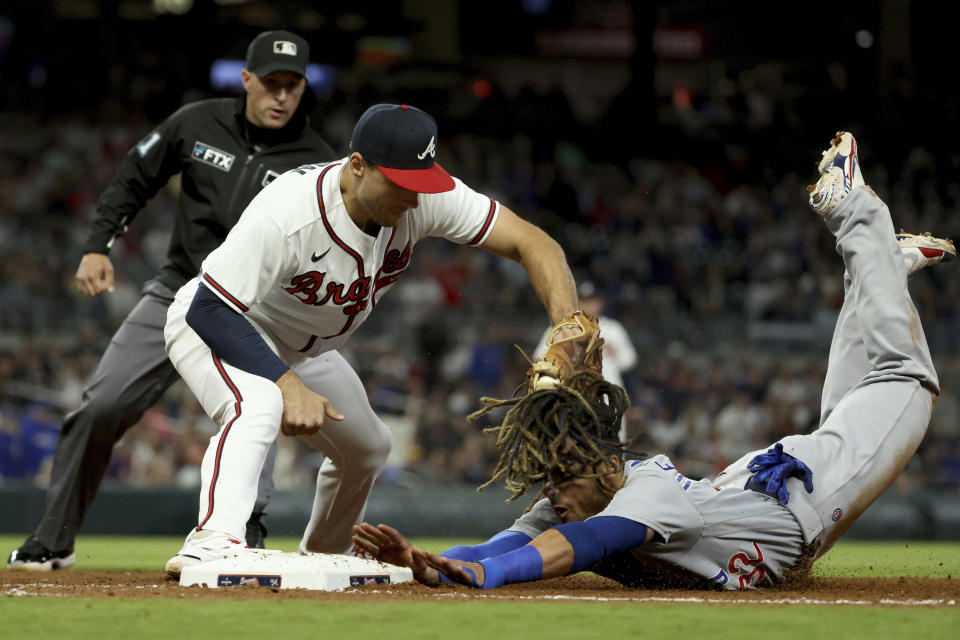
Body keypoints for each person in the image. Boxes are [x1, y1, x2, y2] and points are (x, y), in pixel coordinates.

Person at [352, 131, 956, 590]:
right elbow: (499, 546)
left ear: (600, 460)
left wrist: (483, 578)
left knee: (905, 378)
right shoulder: (578, 492)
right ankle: (881, 267)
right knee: (862, 397)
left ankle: (855, 213)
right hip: (760, 486)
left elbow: (583, 543)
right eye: (552, 477)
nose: (555, 491)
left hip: (806, 497)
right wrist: (431, 566)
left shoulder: (641, 495)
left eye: (563, 474)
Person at [161, 103, 582, 578]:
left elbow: (536, 243)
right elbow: (210, 309)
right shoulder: (289, 212)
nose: (414, 195)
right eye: (401, 181)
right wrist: (286, 383)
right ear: (357, 166)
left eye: (422, 180)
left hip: (304, 347)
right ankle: (212, 542)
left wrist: (567, 326)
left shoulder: (423, 195)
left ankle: (325, 556)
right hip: (222, 324)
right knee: (258, 402)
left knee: (368, 447)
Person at [7, 30, 336, 571]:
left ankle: (245, 530)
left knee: (258, 406)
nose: (281, 95)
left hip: (256, 310)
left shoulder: (316, 162)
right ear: (246, 80)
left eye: (292, 85)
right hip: (178, 288)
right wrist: (96, 247)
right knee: (102, 404)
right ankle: (54, 537)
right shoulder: (197, 122)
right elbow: (133, 178)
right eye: (270, 83)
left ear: (303, 88)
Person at [533, 280, 637, 441]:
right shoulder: (564, 328)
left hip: (609, 399)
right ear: (576, 302)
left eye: (591, 300)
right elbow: (539, 358)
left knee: (614, 447)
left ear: (600, 302)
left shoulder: (613, 329)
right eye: (583, 300)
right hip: (573, 398)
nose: (588, 304)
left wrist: (613, 352)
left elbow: (629, 361)